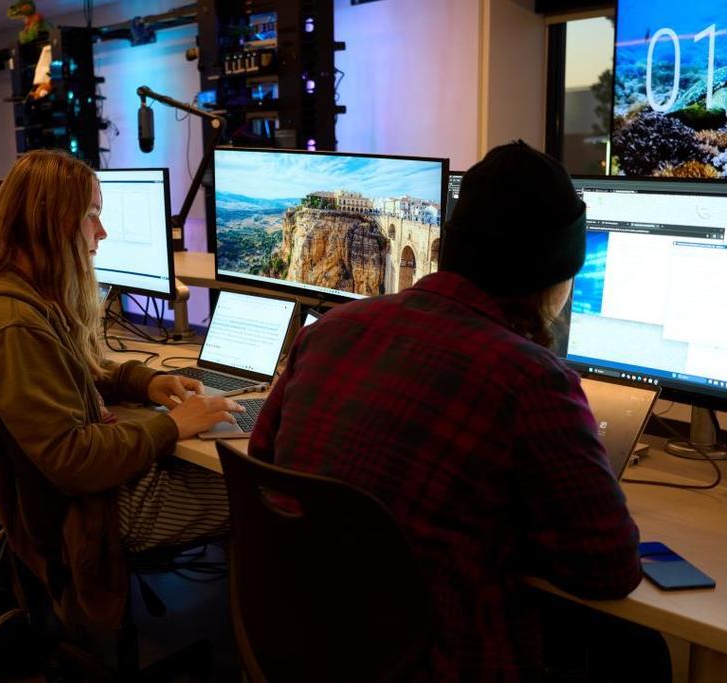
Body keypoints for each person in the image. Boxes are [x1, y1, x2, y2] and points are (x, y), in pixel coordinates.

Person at [249, 141, 649, 681]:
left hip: (305, 647)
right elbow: (608, 568)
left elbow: (263, 464)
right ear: (552, 274)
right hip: (444, 663)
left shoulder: (329, 332)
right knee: (639, 652)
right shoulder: (531, 381)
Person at [0, 149, 241, 628]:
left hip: (77, 499)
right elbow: (73, 460)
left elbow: (71, 372)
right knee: (257, 494)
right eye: (93, 215)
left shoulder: (16, 294)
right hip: (94, 514)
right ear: (52, 221)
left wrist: (146, 382)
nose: (102, 233)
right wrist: (171, 426)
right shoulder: (13, 326)